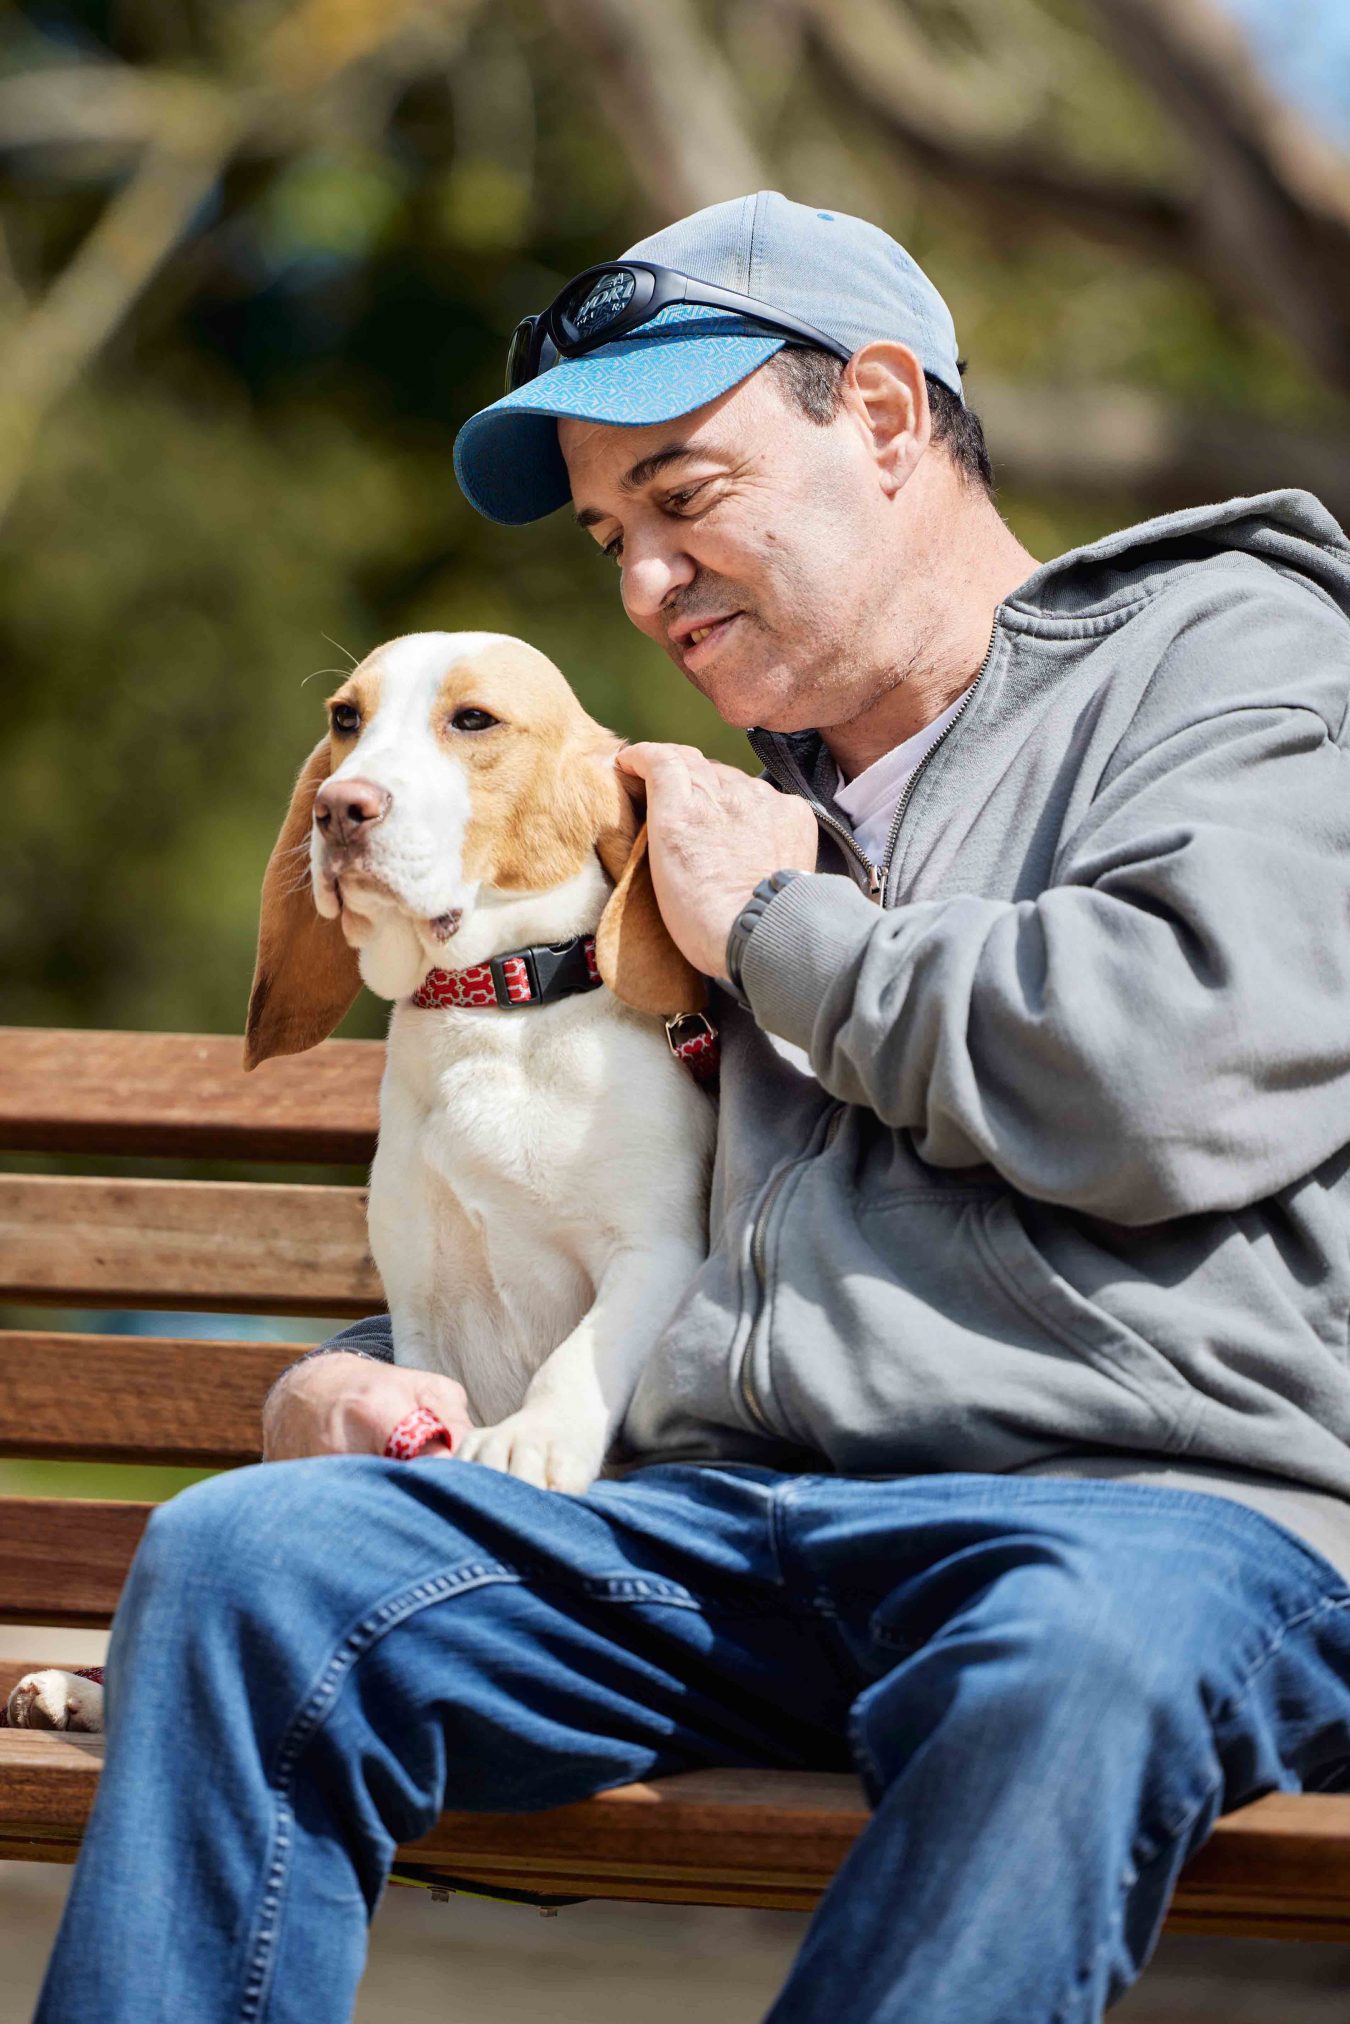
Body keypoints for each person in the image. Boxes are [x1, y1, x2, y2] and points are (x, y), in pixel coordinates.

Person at [37, 192, 1350, 2024]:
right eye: (607, 537)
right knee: (253, 1561)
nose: (645, 583)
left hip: (1137, 1524)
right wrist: (349, 1377)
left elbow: (1164, 1079)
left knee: (1072, 1653)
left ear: (884, 419)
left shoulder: (1225, 657)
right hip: (737, 1543)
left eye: (684, 495)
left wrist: (777, 929)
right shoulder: (719, 813)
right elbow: (645, 1206)